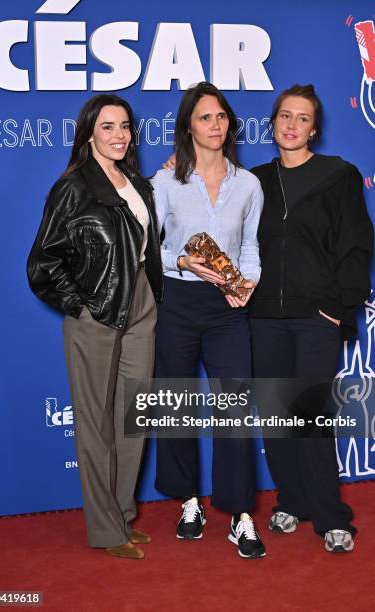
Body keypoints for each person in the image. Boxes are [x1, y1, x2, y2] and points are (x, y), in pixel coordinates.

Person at [27, 94, 163, 560]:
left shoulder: (137, 183)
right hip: (97, 312)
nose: (119, 135)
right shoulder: (73, 187)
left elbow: (144, 250)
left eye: (124, 126)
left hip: (141, 305)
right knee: (96, 426)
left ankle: (122, 516)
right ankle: (105, 531)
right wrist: (80, 306)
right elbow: (43, 261)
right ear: (89, 134)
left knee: (133, 419)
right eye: (108, 127)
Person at [249, 84, 373, 553]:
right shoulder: (253, 180)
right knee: (277, 417)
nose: (292, 125)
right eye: (285, 116)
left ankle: (330, 515)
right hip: (263, 317)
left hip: (316, 317)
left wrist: (339, 310)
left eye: (302, 118)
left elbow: (356, 245)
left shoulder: (338, 175)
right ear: (273, 123)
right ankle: (292, 501)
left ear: (314, 129)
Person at [152, 82, 266, 559]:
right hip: (177, 303)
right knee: (175, 402)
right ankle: (189, 502)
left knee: (235, 406)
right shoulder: (165, 181)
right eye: (204, 117)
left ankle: (240, 515)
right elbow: (147, 249)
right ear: (188, 126)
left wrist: (250, 280)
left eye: (221, 116)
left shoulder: (249, 184)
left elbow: (250, 245)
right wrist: (182, 262)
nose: (214, 125)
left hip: (228, 308)